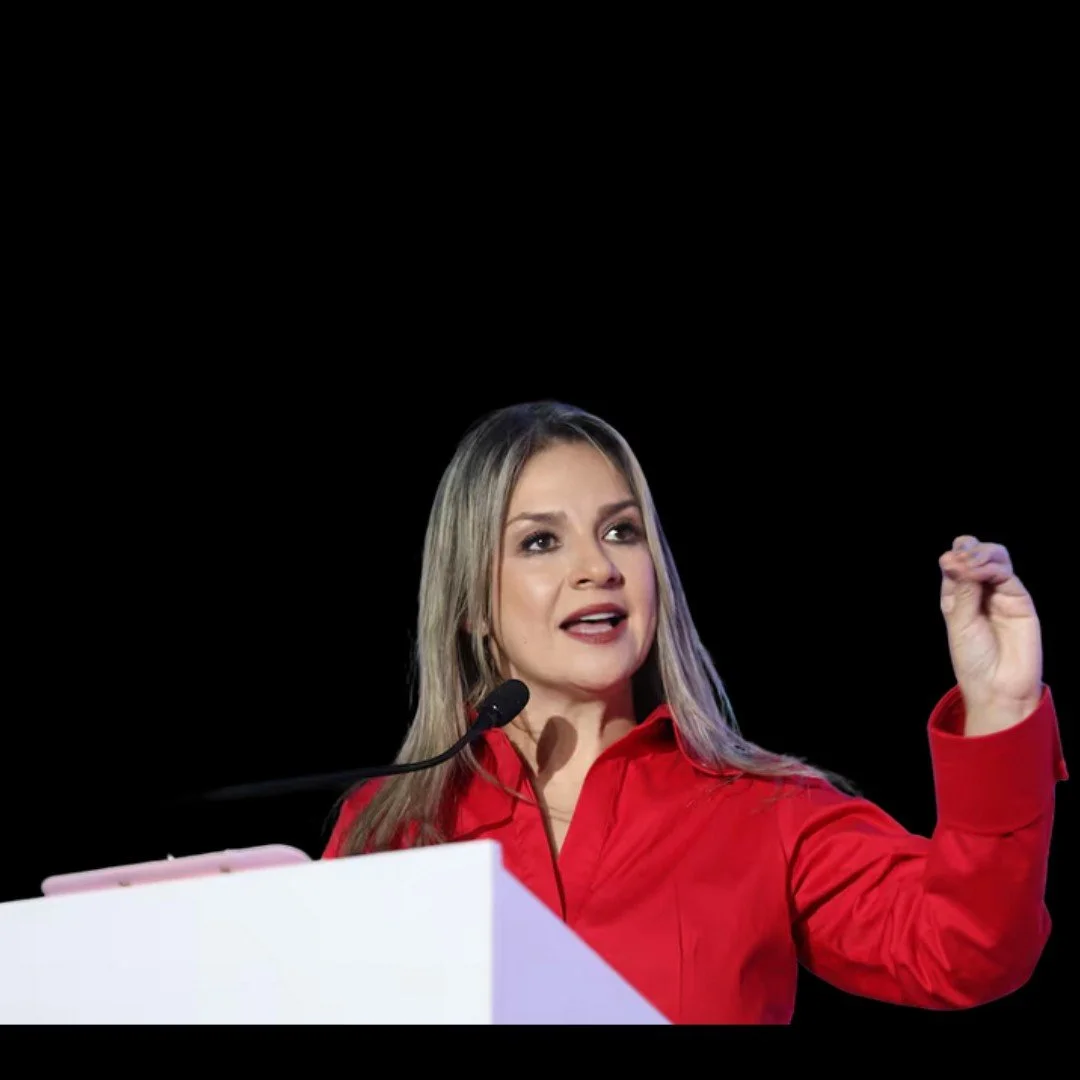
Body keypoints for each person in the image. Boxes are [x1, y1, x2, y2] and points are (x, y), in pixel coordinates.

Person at [322, 400, 1067, 1024]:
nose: (599, 567)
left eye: (622, 531)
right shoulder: (389, 831)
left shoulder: (766, 811)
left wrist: (1001, 709)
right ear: (470, 604)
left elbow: (969, 949)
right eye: (541, 542)